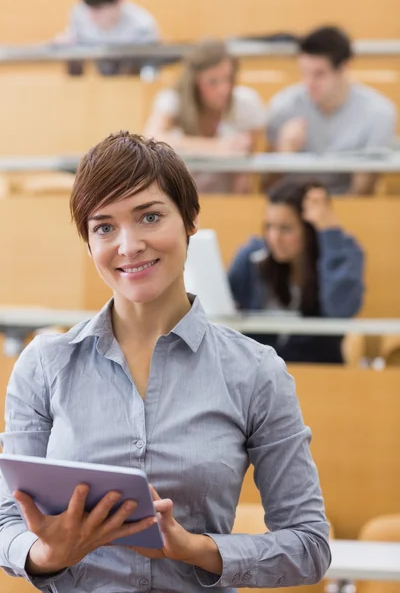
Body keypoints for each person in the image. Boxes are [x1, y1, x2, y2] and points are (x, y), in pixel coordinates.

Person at [0, 133, 331, 592]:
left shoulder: (256, 372)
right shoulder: (43, 365)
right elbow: (5, 523)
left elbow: (309, 546)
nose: (129, 245)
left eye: (149, 217)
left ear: (190, 219)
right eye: (104, 227)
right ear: (89, 241)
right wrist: (46, 554)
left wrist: (194, 548)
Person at [229, 178, 364, 363]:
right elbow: (221, 307)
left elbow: (340, 310)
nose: (274, 238)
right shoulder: (252, 257)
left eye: (286, 229)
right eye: (269, 227)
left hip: (319, 375)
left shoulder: (340, 254)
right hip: (259, 377)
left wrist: (329, 230)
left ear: (309, 231)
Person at [265, 26, 397, 196]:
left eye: (319, 74)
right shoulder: (283, 106)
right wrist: (283, 152)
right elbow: (268, 187)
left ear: (344, 69)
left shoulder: (378, 112)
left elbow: (363, 190)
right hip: (293, 206)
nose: (309, 83)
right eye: (304, 72)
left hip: (348, 206)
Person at [144, 39, 265, 193]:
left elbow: (246, 173)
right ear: (193, 83)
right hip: (183, 193)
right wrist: (215, 147)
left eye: (228, 79)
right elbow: (151, 138)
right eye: (212, 82)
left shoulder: (246, 102)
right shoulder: (173, 99)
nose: (224, 89)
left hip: (227, 196)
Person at [55, 0, 160, 75]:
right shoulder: (79, 13)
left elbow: (149, 67)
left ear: (118, 3)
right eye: (89, 9)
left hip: (129, 78)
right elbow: (73, 39)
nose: (91, 16)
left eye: (98, 9)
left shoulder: (141, 25)